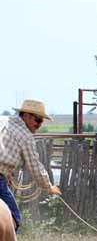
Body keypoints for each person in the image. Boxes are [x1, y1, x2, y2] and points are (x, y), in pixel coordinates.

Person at [0, 99, 62, 232]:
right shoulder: (25, 136)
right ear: (27, 115)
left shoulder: (2, 120)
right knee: (14, 218)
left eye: (41, 121)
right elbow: (35, 166)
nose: (39, 124)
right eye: (38, 120)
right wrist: (49, 187)